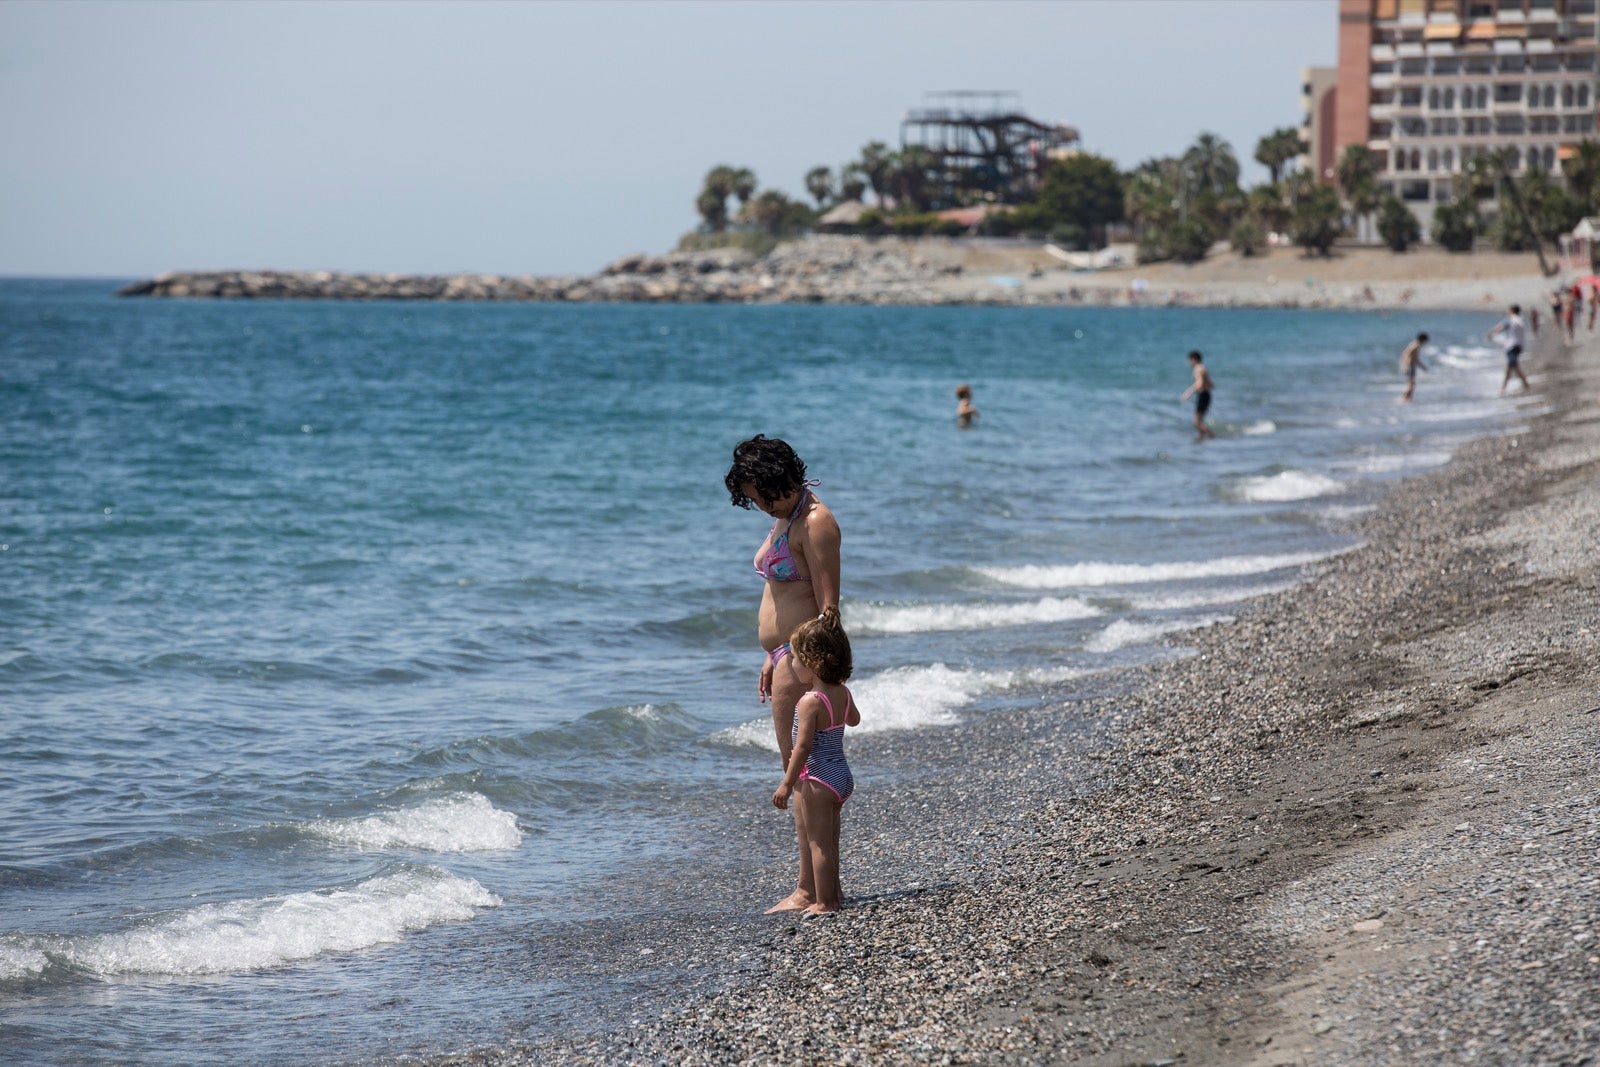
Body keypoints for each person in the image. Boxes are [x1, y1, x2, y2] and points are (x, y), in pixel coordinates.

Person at [724, 435, 843, 900]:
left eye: (762, 497)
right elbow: (781, 596)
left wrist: (821, 675)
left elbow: (828, 608)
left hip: (804, 659)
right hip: (783, 658)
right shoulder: (785, 519)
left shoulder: (815, 522)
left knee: (805, 779)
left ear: (782, 480)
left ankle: (811, 891)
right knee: (798, 775)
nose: (761, 507)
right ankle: (809, 887)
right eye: (752, 501)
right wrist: (767, 655)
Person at [769, 613, 860, 915]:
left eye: (795, 658)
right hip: (842, 776)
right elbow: (854, 719)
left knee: (817, 844)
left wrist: (786, 783)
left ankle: (825, 902)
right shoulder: (842, 693)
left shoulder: (810, 701)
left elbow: (803, 747)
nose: (792, 664)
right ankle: (835, 895)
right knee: (830, 843)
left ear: (812, 661)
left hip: (818, 779)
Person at [1489, 304, 1531, 396]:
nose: (1507, 312)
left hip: (1512, 346)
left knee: (1512, 366)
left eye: (1508, 310)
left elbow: (1499, 328)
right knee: (1513, 367)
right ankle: (1525, 385)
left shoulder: (1511, 320)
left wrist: (1490, 334)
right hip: (1518, 346)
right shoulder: (1520, 320)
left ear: (1512, 311)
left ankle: (1504, 389)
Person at [1179, 350, 1216, 442]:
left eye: (1190, 360)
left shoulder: (1198, 369)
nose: (1189, 363)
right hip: (1206, 395)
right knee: (1200, 421)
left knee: (1197, 422)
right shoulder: (1203, 368)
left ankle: (1212, 437)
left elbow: (1199, 384)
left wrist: (1187, 393)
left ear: (1194, 359)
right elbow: (1211, 384)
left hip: (1203, 395)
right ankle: (1200, 440)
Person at [1399, 331, 1428, 403]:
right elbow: (1407, 354)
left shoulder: (1414, 344)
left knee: (1412, 384)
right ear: (1423, 340)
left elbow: (1414, 358)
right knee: (1411, 384)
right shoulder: (1415, 345)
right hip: (1410, 365)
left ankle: (1407, 399)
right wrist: (1405, 365)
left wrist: (1422, 366)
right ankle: (1405, 399)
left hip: (1411, 365)